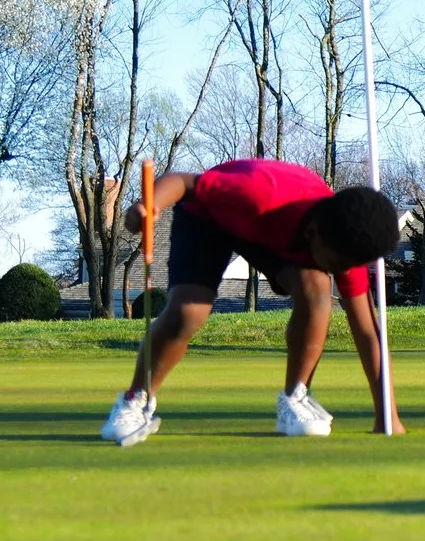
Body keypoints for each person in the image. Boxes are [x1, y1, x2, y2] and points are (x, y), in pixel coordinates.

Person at [98, 159, 401, 446]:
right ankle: (136, 398)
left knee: (318, 290)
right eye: (335, 264)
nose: (340, 272)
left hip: (273, 234)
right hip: (208, 218)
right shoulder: (254, 193)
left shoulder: (347, 248)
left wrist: (387, 417)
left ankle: (295, 397)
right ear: (313, 235)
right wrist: (149, 205)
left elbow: (368, 332)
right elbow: (182, 181)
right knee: (188, 313)